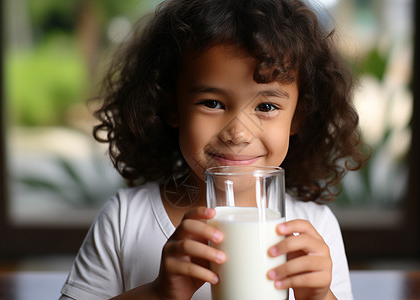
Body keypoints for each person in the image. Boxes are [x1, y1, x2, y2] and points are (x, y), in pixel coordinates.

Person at [59, 0, 368, 299]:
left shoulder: (315, 230)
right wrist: (159, 294)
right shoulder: (125, 220)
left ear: (298, 116)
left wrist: (318, 296)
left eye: (267, 106)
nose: (238, 132)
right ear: (171, 107)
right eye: (212, 103)